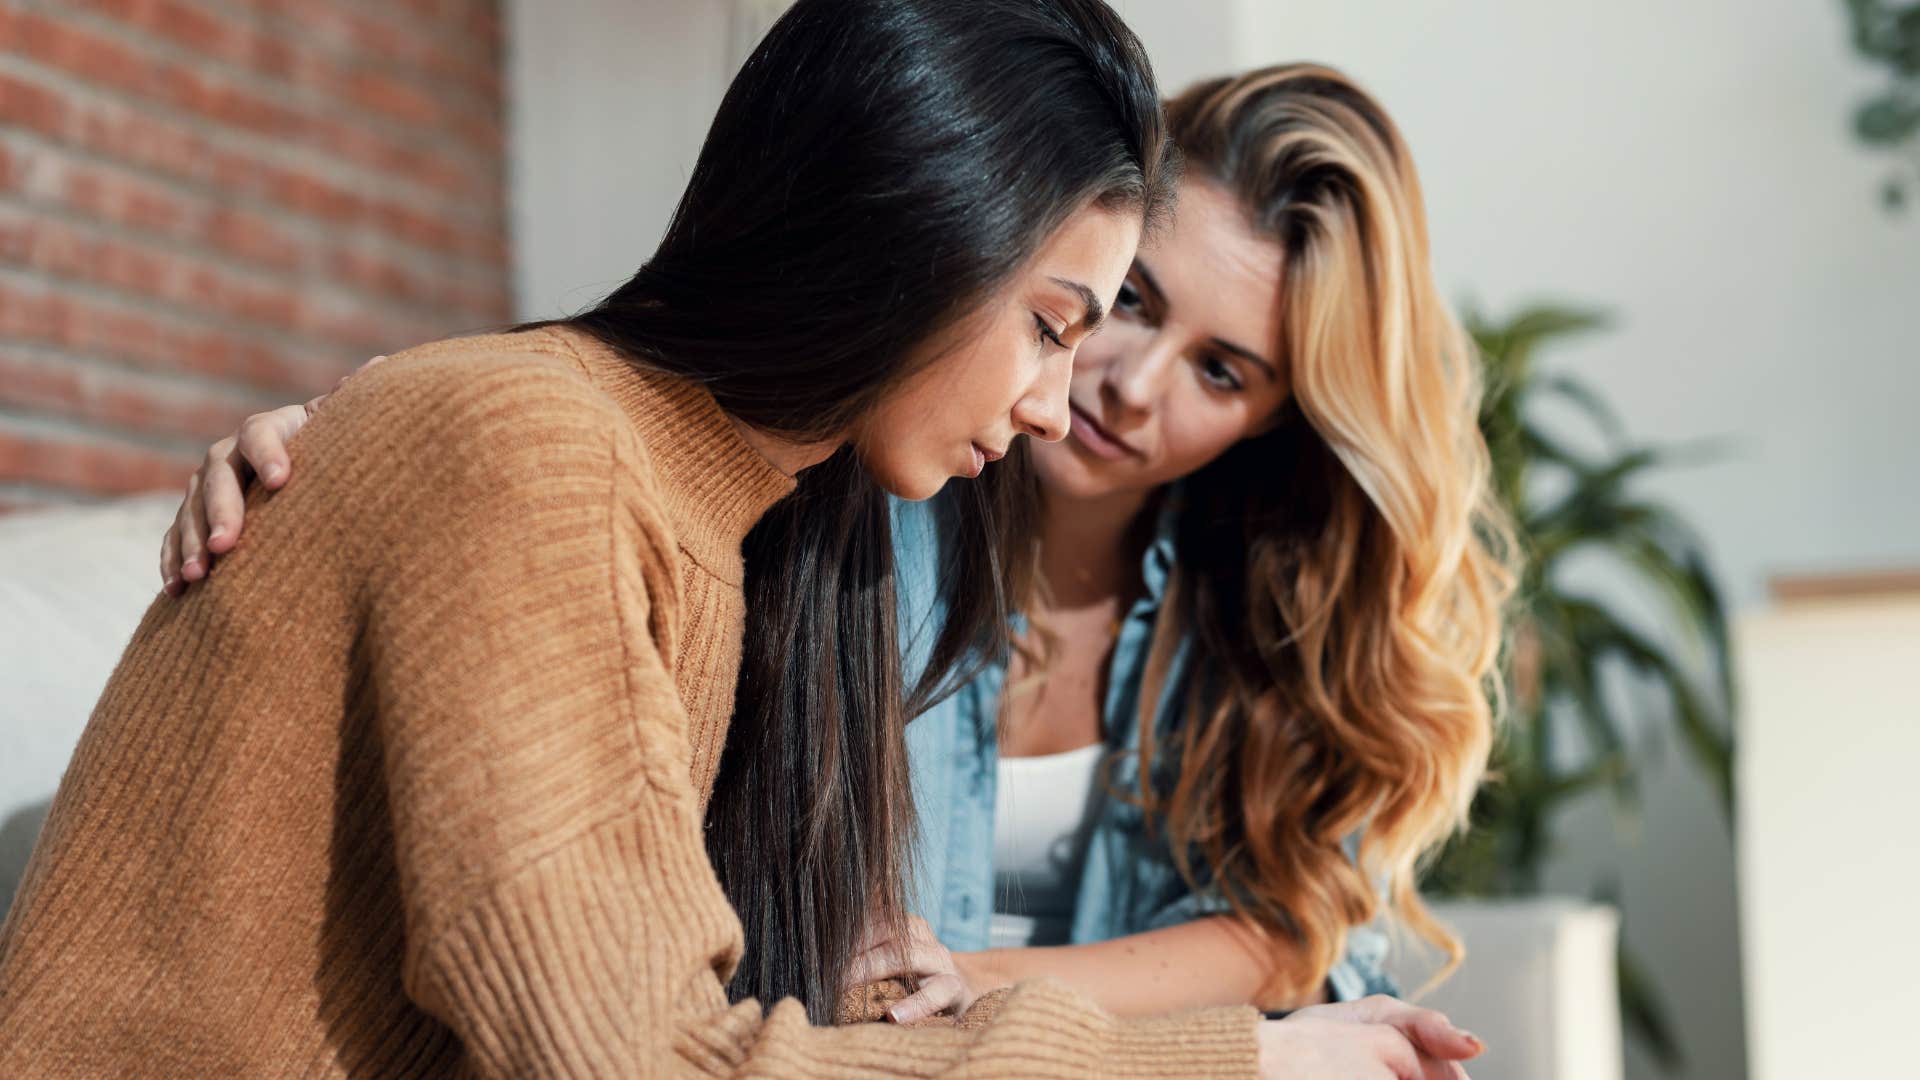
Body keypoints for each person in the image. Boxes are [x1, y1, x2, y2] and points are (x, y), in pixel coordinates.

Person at [157, 58, 1505, 1077]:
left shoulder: (1260, 607)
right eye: (1125, 301)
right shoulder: (862, 488)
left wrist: (979, 980)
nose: (1130, 383)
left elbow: (1296, 928)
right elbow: (595, 475)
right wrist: (345, 454)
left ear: (1279, 416)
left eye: (1224, 370)